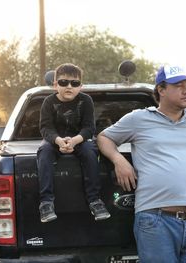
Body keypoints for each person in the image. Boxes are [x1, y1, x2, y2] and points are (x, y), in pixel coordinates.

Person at [97, 64, 186, 262]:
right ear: (161, 90)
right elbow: (104, 137)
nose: (185, 90)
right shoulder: (139, 118)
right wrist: (119, 160)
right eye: (178, 85)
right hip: (155, 220)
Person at [37, 63, 110, 223]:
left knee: (91, 151)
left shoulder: (86, 100)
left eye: (74, 83)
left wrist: (75, 140)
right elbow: (45, 128)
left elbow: (89, 128)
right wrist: (58, 141)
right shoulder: (48, 102)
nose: (69, 86)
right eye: (63, 82)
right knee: (44, 151)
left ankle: (95, 201)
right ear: (55, 84)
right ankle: (46, 202)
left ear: (80, 86)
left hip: (79, 140)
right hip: (54, 141)